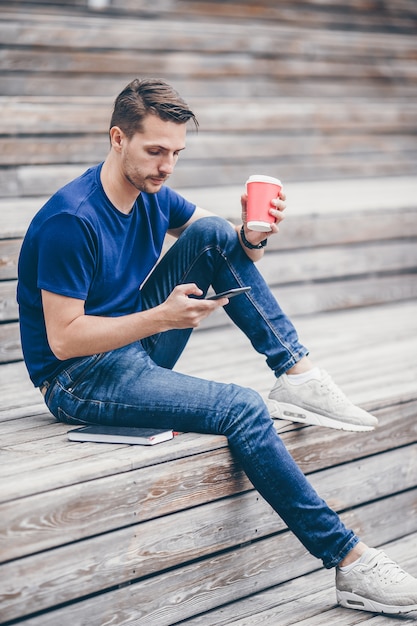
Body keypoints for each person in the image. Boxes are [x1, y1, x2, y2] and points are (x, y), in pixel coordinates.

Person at [17, 78, 417, 615]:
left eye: (176, 153)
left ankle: (297, 374)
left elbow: (224, 245)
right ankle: (350, 563)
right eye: (155, 151)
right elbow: (64, 340)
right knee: (242, 408)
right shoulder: (73, 219)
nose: (166, 166)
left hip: (132, 347)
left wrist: (252, 237)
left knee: (209, 233)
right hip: (78, 380)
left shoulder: (152, 194)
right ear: (118, 139)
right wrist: (161, 317)